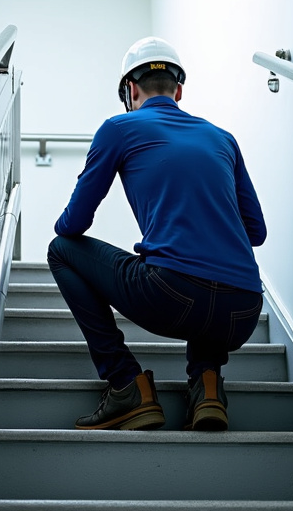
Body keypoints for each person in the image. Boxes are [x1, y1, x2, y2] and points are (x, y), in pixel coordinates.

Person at [46, 37, 267, 432]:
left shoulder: (119, 128)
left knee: (61, 250)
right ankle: (207, 387)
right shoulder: (223, 138)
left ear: (130, 90)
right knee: (210, 270)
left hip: (171, 297)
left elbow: (74, 225)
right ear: (179, 91)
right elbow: (257, 231)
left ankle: (126, 384)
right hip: (244, 311)